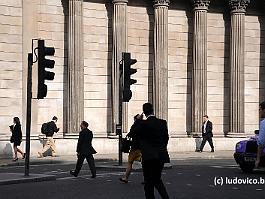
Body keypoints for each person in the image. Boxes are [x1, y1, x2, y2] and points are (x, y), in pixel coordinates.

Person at [137, 103, 170, 199]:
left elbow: (133, 133)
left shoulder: (142, 124)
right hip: (160, 155)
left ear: (144, 112)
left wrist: (138, 121)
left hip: (148, 156)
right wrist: (161, 148)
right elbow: (166, 138)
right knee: (157, 179)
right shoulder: (162, 122)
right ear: (153, 110)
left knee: (148, 181)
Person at [119, 114, 143, 183]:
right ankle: (146, 179)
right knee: (144, 163)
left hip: (135, 147)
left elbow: (131, 134)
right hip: (143, 147)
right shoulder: (144, 124)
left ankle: (126, 178)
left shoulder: (135, 125)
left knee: (130, 162)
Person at [255, 101, 265, 168]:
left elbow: (261, 142)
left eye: (260, 109)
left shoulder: (263, 123)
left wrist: (258, 159)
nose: (259, 111)